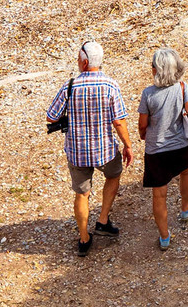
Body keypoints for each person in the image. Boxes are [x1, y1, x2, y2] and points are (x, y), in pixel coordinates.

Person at [45, 40, 136, 257]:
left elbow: (51, 116)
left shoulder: (70, 86)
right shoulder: (110, 85)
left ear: (84, 63)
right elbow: (119, 121)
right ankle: (103, 219)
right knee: (113, 176)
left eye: (78, 60)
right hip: (104, 149)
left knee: (82, 193)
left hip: (77, 151)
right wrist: (128, 145)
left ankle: (84, 238)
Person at [138, 46, 188, 252]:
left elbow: (142, 124)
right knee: (186, 172)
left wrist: (143, 134)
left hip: (156, 150)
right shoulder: (182, 87)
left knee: (159, 194)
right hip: (180, 145)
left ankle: (165, 236)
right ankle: (185, 208)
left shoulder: (148, 94)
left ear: (157, 70)